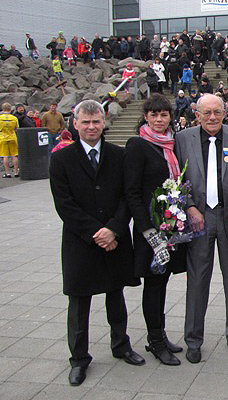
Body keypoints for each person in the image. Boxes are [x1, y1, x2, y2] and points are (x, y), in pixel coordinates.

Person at [49, 100, 144, 386]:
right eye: (85, 122)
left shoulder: (119, 154)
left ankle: (121, 345)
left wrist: (113, 229)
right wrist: (97, 233)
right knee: (79, 302)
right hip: (81, 242)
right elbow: (64, 204)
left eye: (96, 121)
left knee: (116, 295)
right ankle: (79, 358)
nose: (91, 127)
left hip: (115, 238)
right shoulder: (62, 158)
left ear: (103, 123)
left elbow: (128, 195)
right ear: (75, 124)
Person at [173, 94, 228, 363]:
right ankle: (193, 340)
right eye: (206, 113)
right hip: (199, 217)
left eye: (217, 112)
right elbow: (176, 178)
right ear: (197, 114)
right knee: (197, 281)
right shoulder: (183, 138)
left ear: (225, 112)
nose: (212, 117)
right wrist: (189, 207)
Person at [123, 94, 187, 366]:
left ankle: (159, 334)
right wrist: (148, 230)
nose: (159, 120)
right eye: (154, 115)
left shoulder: (171, 144)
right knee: (153, 283)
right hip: (151, 230)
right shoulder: (138, 144)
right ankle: (156, 341)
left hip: (169, 227)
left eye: (164, 115)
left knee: (162, 281)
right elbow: (132, 192)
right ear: (146, 117)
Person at [0, 103, 19, 178]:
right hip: (12, 137)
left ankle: (7, 173)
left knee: (5, 156)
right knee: (14, 155)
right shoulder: (14, 118)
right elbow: (17, 128)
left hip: (3, 137)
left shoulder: (0, 118)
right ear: (10, 109)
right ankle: (16, 172)